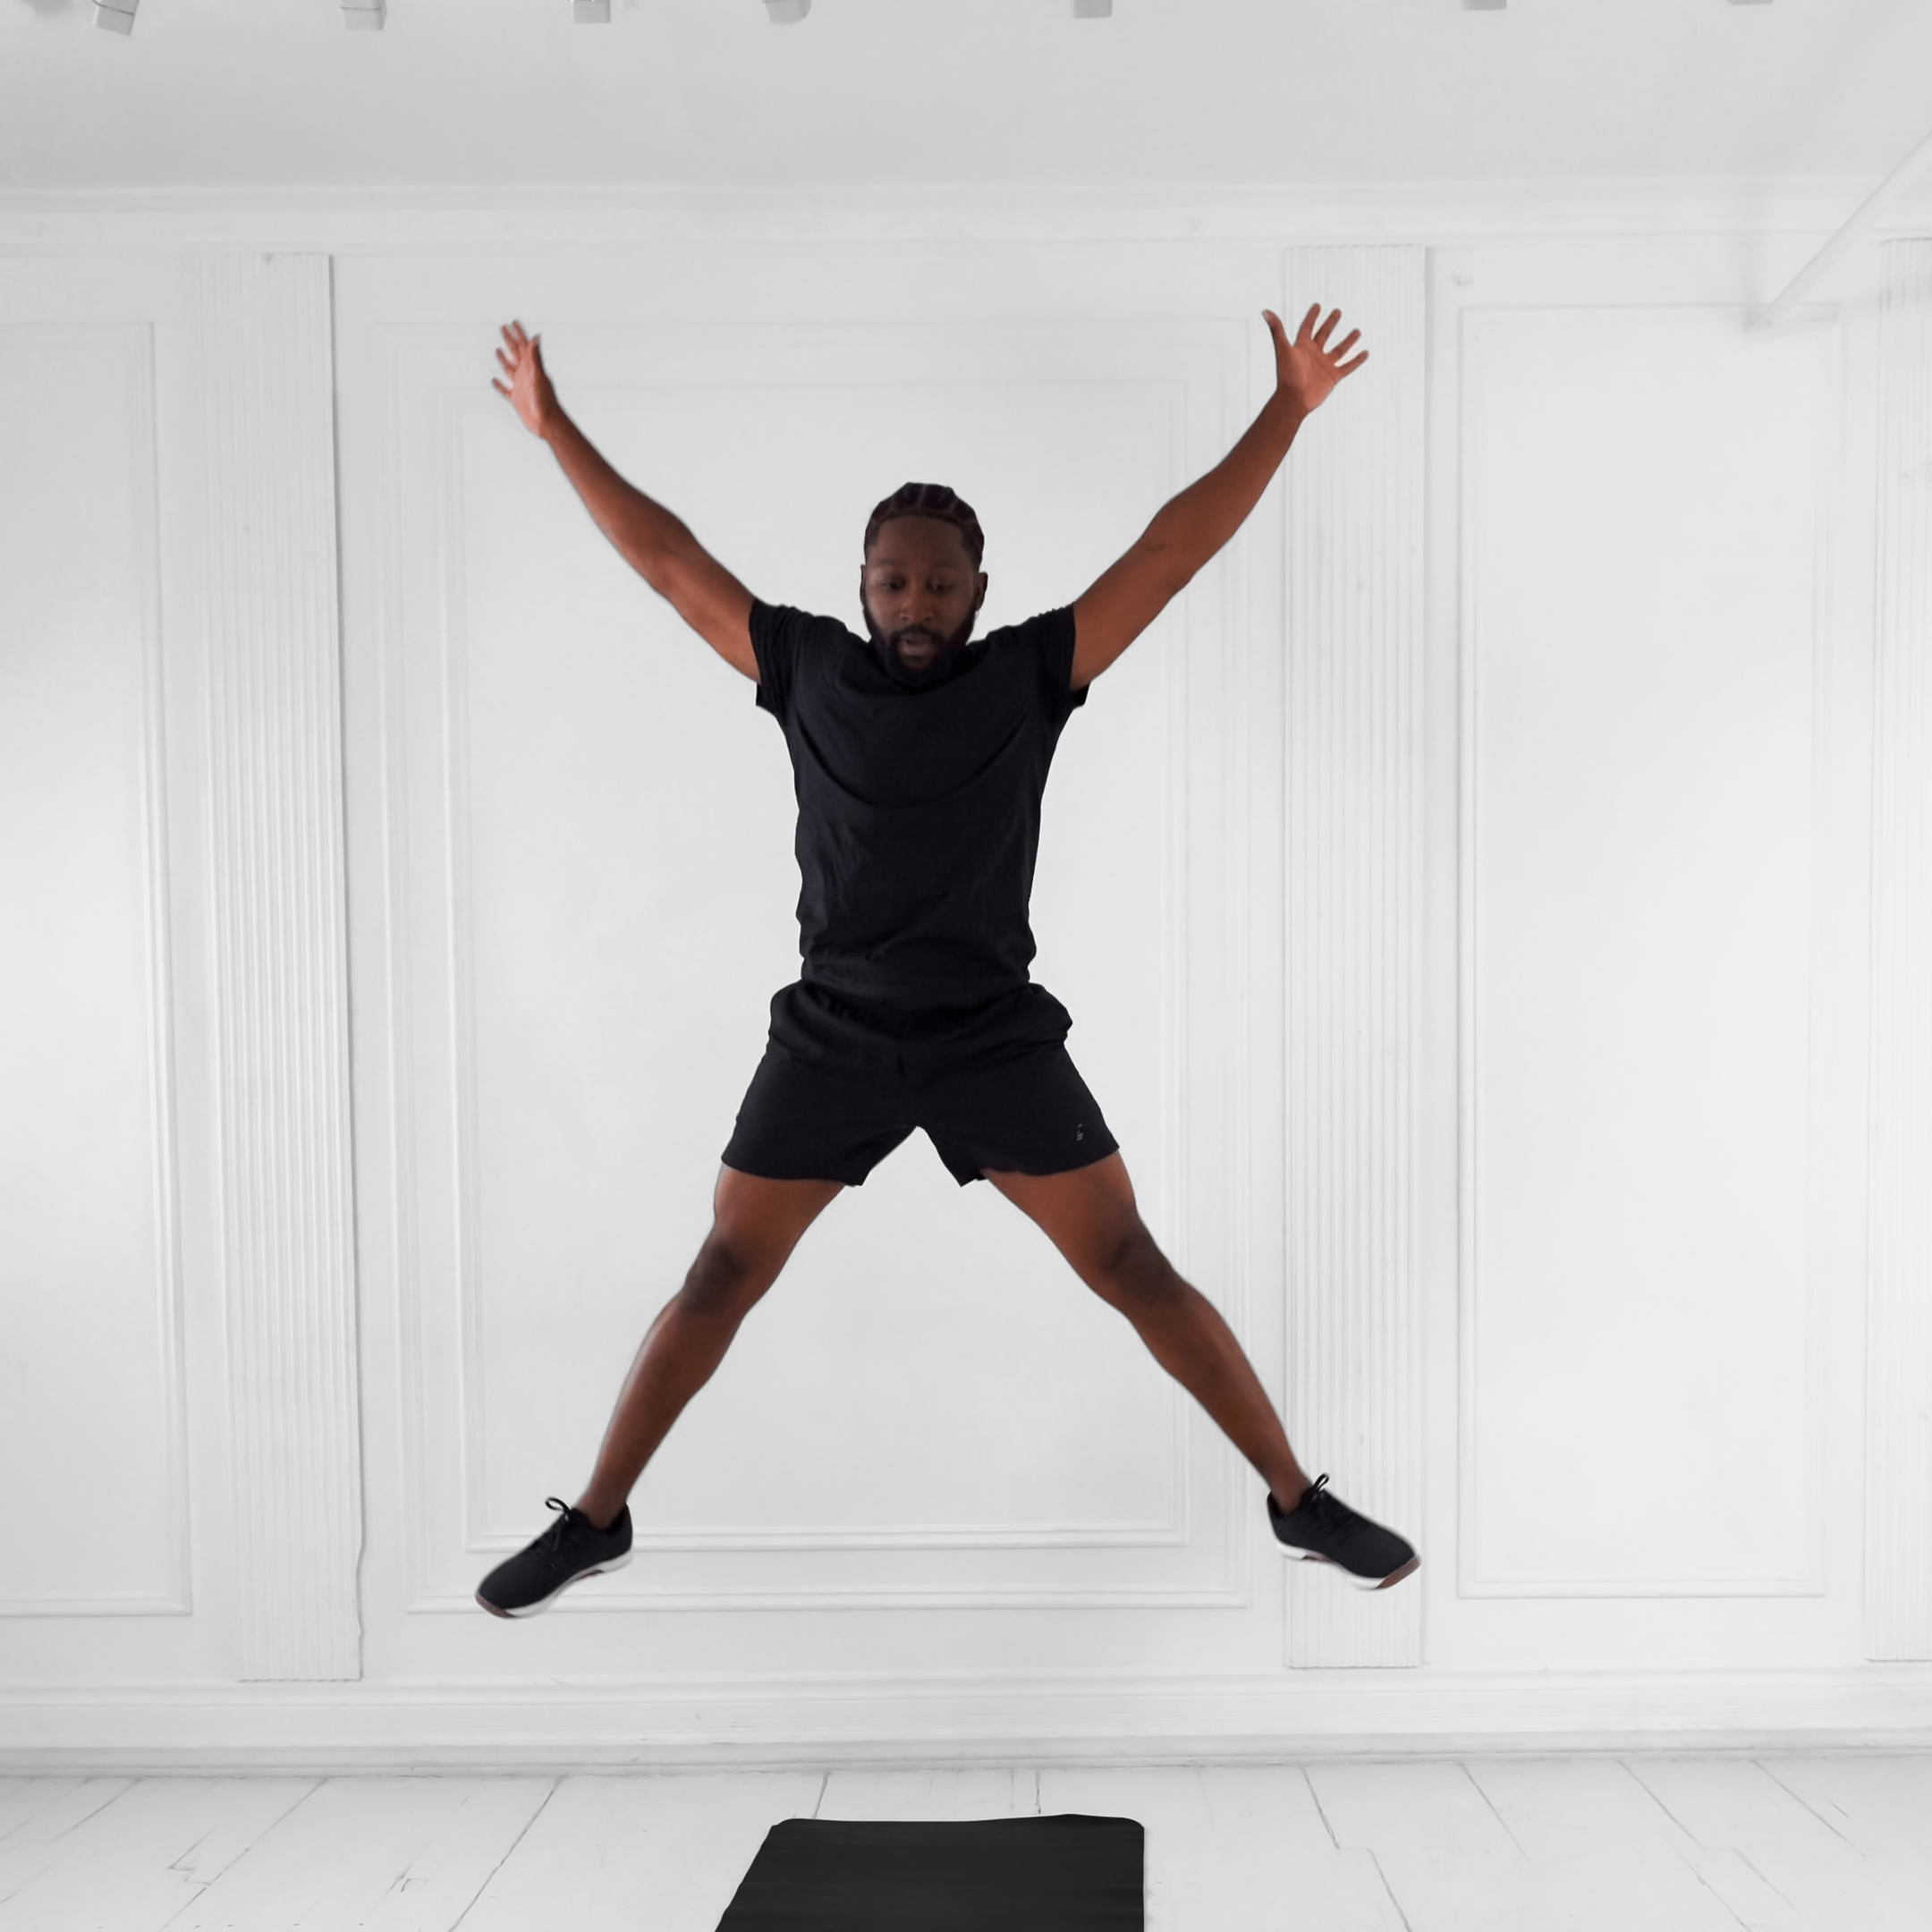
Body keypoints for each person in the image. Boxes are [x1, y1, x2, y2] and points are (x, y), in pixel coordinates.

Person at [475, 304, 1418, 1617]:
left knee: (1129, 1263)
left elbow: (1171, 550)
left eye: (938, 582)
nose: (914, 603)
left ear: (979, 588)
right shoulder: (804, 666)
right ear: (863, 587)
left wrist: (1287, 410)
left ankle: (1296, 1501)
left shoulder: (1031, 674)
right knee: (721, 1273)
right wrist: (552, 427)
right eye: (892, 581)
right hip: (834, 1034)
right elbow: (667, 560)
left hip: (990, 1035)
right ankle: (595, 1521)